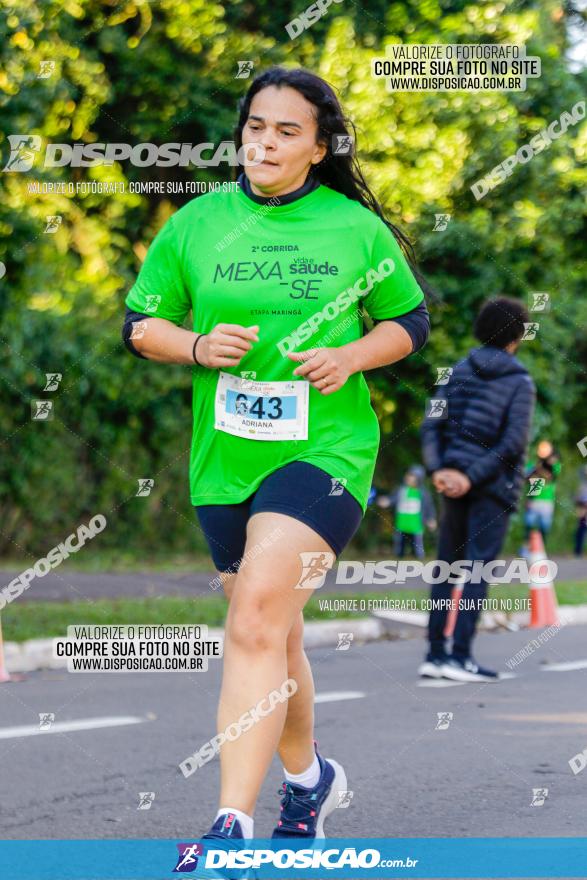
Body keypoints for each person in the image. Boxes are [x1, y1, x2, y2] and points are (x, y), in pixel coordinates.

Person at [122, 66, 429, 842]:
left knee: (258, 612)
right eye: (256, 125)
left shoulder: (352, 230)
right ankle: (309, 779)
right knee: (272, 631)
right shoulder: (196, 223)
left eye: (286, 130)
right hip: (225, 458)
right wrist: (194, 345)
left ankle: (231, 820)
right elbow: (138, 325)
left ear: (319, 147)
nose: (264, 141)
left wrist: (353, 355)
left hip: (324, 450)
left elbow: (409, 323)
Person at [420, 297, 535, 682]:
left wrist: (441, 471)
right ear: (515, 337)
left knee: (447, 569)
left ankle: (435, 655)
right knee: (477, 571)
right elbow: (513, 442)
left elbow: (431, 423)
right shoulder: (520, 382)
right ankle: (462, 657)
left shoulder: (455, 372)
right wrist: (471, 476)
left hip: (451, 485)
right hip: (492, 488)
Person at [376, 465, 436, 558]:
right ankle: (399, 558)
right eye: (409, 475)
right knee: (400, 545)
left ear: (419, 479)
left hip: (416, 525)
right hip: (401, 523)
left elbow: (429, 506)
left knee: (417, 546)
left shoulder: (423, 493)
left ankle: (419, 559)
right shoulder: (401, 490)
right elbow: (393, 498)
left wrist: (430, 519)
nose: (409, 478)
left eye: (413, 476)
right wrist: (387, 501)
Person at [523, 440, 561, 548]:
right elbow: (526, 477)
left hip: (547, 500)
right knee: (528, 524)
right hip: (533, 499)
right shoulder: (533, 465)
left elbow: (551, 476)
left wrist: (540, 469)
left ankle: (542, 548)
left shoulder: (555, 466)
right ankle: (526, 547)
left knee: (544, 527)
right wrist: (536, 469)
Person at [573, 466, 587, 557]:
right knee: (580, 531)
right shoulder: (582, 486)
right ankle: (578, 551)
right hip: (583, 511)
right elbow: (577, 499)